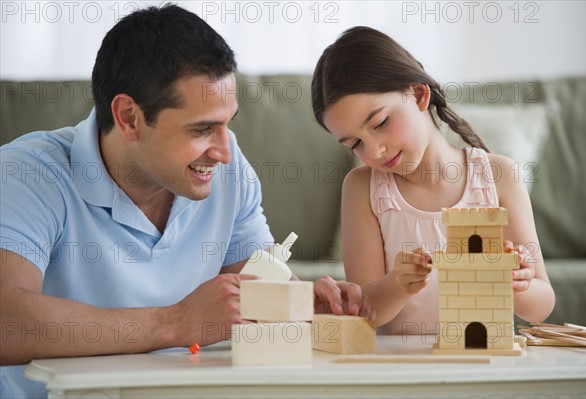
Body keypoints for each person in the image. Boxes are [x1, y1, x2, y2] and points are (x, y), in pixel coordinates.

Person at [0, 6, 372, 398]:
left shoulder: (226, 172)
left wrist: (303, 306)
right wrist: (175, 322)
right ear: (129, 117)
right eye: (203, 129)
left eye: (228, 123)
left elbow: (260, 284)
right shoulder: (27, 173)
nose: (225, 151)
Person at [310, 26, 555, 335]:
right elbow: (366, 312)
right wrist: (397, 284)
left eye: (381, 123)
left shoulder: (499, 177)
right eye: (354, 144)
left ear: (418, 94)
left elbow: (543, 305)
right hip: (402, 372)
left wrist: (519, 284)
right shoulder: (362, 188)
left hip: (481, 363)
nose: (374, 150)